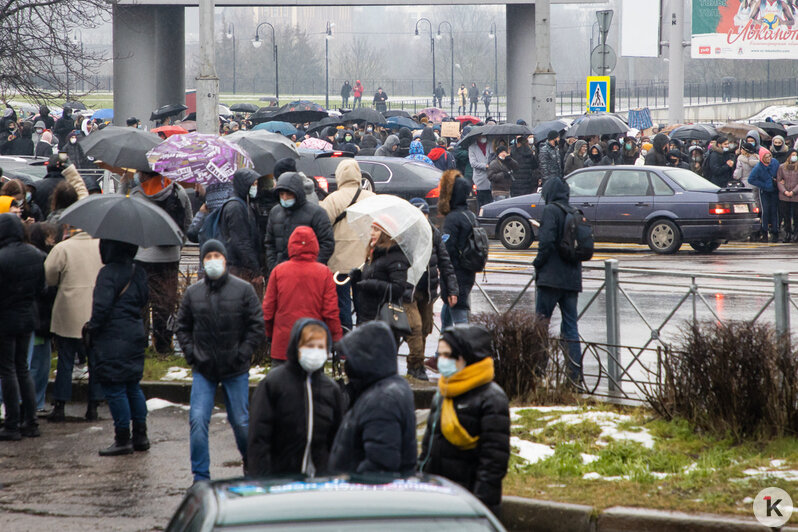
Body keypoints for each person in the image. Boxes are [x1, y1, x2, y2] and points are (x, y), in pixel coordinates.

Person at [176, 239, 264, 482]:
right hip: (204, 368)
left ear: (225, 259)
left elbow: (257, 324)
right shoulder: (193, 293)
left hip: (235, 368)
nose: (213, 260)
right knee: (197, 420)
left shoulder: (243, 290)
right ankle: (201, 476)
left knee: (241, 422)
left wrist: (243, 352)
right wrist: (191, 353)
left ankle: (251, 464)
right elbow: (182, 327)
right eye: (208, 256)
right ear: (203, 262)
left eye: (217, 255)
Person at [419, 324, 510, 516]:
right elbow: (427, 452)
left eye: (446, 355)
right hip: (436, 500)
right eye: (439, 354)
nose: (440, 361)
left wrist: (476, 509)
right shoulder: (443, 393)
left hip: (469, 505)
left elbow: (493, 464)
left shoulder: (492, 399)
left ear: (465, 358)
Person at [248, 319, 345, 476]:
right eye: (309, 345)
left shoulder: (330, 390)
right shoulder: (274, 384)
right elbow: (258, 437)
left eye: (320, 346)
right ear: (297, 346)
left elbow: (337, 440)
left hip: (319, 481)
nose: (315, 351)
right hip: (279, 478)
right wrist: (261, 478)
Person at [85, 240, 150, 456]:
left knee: (115, 387)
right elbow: (143, 299)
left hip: (113, 337)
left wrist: (91, 328)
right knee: (133, 385)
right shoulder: (138, 271)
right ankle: (141, 435)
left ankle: (122, 438)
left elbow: (101, 309)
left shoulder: (107, 273)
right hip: (134, 333)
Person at [328, 321, 417, 475]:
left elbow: (379, 465)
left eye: (351, 359)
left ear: (367, 359)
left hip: (361, 494)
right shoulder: (384, 389)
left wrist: (348, 483)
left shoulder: (383, 402)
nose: (346, 366)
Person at [44, 208, 106, 422]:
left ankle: (60, 405)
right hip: (94, 310)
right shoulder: (101, 246)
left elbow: (50, 277)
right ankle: (93, 406)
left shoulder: (63, 248)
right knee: (95, 360)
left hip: (68, 311)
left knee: (65, 359)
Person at [130, 171, 193, 354]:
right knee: (165, 303)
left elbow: (128, 224)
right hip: (170, 256)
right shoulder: (178, 191)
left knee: (141, 301)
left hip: (143, 255)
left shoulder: (137, 194)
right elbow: (187, 224)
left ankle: (141, 343)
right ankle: (164, 344)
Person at [262, 226, 342, 364]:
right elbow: (330, 311)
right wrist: (335, 338)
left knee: (281, 384)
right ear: (315, 245)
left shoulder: (278, 271)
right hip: (313, 342)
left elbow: (268, 310)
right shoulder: (324, 273)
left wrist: (269, 335)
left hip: (283, 344)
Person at [533, 177, 583, 385]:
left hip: (550, 279)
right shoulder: (574, 213)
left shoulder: (551, 211)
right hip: (572, 278)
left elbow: (545, 243)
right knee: (571, 326)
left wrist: (537, 263)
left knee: (541, 325)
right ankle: (574, 377)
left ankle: (538, 372)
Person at [0, 214, 45, 440]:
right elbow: (41, 288)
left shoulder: (2, 258)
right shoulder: (36, 255)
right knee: (22, 368)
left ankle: (11, 424)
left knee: (7, 370)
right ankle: (31, 420)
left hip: (6, 320)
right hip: (28, 317)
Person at [404, 198, 458, 381]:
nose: (422, 218)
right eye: (419, 214)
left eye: (425, 214)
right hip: (407, 291)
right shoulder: (403, 236)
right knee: (415, 327)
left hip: (427, 290)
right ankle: (417, 366)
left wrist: (451, 290)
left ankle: (414, 366)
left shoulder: (434, 234)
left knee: (426, 327)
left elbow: (445, 262)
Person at [320, 159, 375, 331]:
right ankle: (363, 341)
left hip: (338, 262)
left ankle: (344, 342)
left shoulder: (331, 200)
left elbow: (322, 228)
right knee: (364, 305)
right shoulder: (372, 198)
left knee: (342, 304)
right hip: (365, 263)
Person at [265, 171, 335, 271]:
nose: (285, 198)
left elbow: (327, 244)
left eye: (289, 194)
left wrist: (312, 267)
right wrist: (274, 267)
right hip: (281, 273)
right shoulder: (275, 212)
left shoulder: (316, 213)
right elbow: (270, 243)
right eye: (281, 194)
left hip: (308, 274)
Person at [349, 217, 410, 325]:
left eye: (376, 230)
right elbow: (375, 276)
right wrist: (359, 277)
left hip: (383, 318)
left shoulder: (396, 257)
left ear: (386, 234)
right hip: (367, 315)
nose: (372, 233)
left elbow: (398, 288)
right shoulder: (375, 253)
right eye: (372, 229)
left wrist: (372, 284)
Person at [438, 170, 475, 328]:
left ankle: (460, 350)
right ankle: (442, 351)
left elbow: (446, 252)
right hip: (468, 271)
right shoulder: (470, 215)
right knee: (447, 315)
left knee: (460, 320)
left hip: (454, 275)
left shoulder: (453, 219)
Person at [218, 168, 263, 292]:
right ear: (244, 185)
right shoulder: (236, 208)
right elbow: (241, 241)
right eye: (253, 184)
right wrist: (255, 269)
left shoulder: (244, 203)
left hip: (238, 265)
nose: (255, 187)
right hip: (237, 266)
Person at [749, 151, 780, 242]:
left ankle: (775, 231)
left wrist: (778, 180)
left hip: (774, 190)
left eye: (769, 156)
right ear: (762, 158)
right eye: (766, 157)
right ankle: (764, 231)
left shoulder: (775, 163)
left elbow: (780, 173)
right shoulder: (758, 167)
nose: (768, 159)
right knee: (765, 211)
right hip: (764, 191)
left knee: (774, 211)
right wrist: (763, 185)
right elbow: (751, 179)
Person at [778, 149, 798, 243]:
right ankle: (787, 233)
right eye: (792, 154)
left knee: (796, 216)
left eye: (795, 155)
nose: (794, 156)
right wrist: (784, 191)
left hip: (796, 196)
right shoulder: (782, 167)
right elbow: (779, 181)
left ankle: (796, 234)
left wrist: (793, 192)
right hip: (784, 196)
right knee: (786, 216)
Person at [469, 135, 494, 207]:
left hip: (491, 176)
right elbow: (473, 163)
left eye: (484, 136)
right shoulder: (472, 147)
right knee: (480, 201)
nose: (483, 138)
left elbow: (493, 156)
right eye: (481, 136)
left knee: (490, 201)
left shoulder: (490, 144)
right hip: (479, 178)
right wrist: (485, 166)